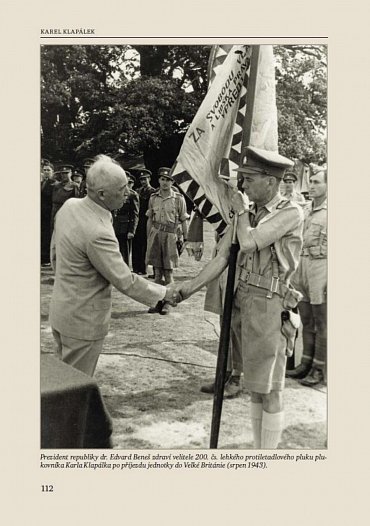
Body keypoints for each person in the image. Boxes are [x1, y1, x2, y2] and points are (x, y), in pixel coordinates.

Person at [178, 146, 304, 449]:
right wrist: (183, 291)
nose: (242, 186)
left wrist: (242, 210)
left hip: (271, 305)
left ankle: (267, 457)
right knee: (255, 388)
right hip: (243, 299)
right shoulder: (248, 214)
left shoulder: (290, 211)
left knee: (271, 389)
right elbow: (222, 258)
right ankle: (261, 452)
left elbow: (248, 243)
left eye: (247, 179)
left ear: (270, 182)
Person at [49, 155, 179, 376]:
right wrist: (165, 293)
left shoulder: (71, 206)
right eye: (121, 189)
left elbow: (54, 255)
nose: (127, 192)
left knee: (63, 383)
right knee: (73, 391)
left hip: (62, 311)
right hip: (83, 322)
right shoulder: (97, 231)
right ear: (102, 194)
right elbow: (124, 280)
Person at [287, 169, 327, 386]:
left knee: (323, 321)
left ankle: (319, 369)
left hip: (322, 267)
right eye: (310, 182)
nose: (311, 186)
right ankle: (305, 364)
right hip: (302, 266)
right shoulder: (305, 209)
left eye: (317, 182)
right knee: (306, 319)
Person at [146, 167, 189, 314]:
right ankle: (157, 301)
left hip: (171, 236)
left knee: (169, 272)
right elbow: (150, 219)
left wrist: (186, 237)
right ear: (158, 180)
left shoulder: (178, 199)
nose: (165, 182)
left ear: (172, 182)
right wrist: (149, 238)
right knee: (157, 272)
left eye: (168, 180)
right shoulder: (153, 198)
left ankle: (168, 303)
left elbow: (184, 220)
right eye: (162, 179)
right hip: (156, 235)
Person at [132, 169, 156, 275]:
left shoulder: (153, 192)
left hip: (147, 220)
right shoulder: (138, 191)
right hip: (137, 219)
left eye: (145, 179)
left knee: (144, 244)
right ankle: (136, 267)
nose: (143, 181)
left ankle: (143, 268)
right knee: (136, 243)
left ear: (149, 179)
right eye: (141, 179)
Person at [112, 172, 139, 266]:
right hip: (114, 226)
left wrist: (132, 230)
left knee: (124, 253)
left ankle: (124, 272)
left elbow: (135, 214)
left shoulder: (132, 195)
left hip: (125, 227)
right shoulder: (114, 192)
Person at [50, 164, 79, 231]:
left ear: (71, 173)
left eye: (66, 173)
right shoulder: (57, 185)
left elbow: (77, 201)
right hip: (55, 213)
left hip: (67, 214)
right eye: (62, 173)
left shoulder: (74, 186)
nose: (64, 175)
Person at [41, 161, 56, 266]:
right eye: (44, 170)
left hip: (49, 212)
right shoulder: (41, 183)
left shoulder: (54, 184)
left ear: (53, 172)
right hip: (41, 213)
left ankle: (47, 258)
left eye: (48, 170)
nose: (46, 172)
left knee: (48, 235)